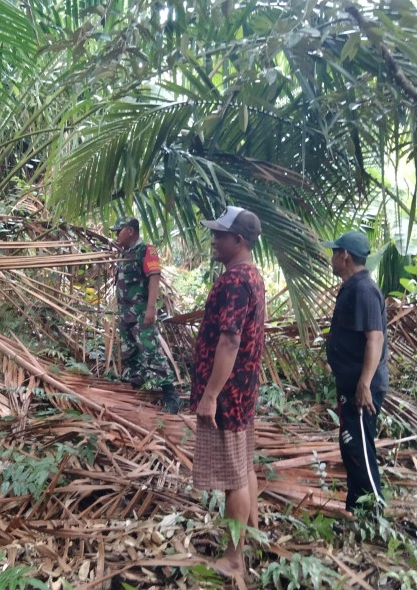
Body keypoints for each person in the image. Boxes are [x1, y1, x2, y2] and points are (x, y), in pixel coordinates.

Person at [190, 206, 265, 579]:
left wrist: (211, 395)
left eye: (220, 234)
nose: (214, 240)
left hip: (229, 395)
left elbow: (231, 339)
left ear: (238, 240)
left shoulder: (236, 280)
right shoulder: (251, 274)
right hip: (242, 390)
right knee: (243, 465)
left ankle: (234, 558)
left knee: (234, 476)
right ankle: (252, 534)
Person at [322, 230, 387, 512]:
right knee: (352, 446)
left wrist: (364, 383)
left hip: (362, 387)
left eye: (335, 252)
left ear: (345, 255)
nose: (332, 258)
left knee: (359, 447)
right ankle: (355, 509)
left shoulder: (364, 290)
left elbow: (376, 338)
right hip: (351, 383)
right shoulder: (354, 287)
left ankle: (374, 511)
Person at [109, 216, 178, 414]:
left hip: (140, 314)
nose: (116, 235)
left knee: (151, 351)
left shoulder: (145, 250)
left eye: (118, 230)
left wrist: (150, 309)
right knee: (130, 352)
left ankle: (170, 395)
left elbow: (154, 277)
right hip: (125, 314)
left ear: (130, 231)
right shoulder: (125, 253)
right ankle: (136, 391)